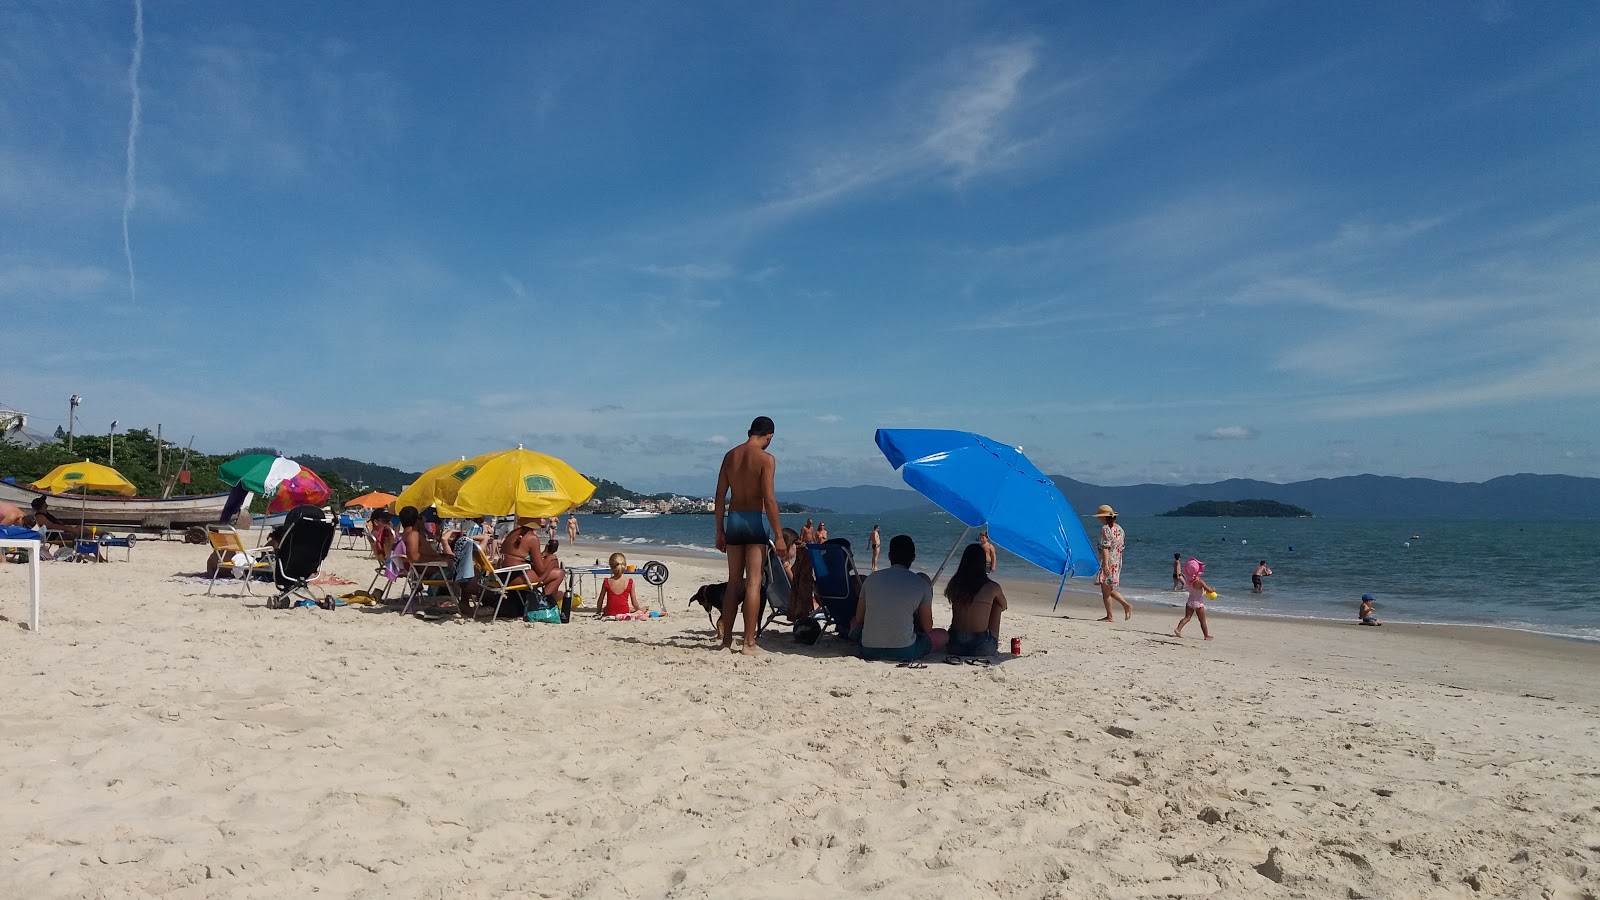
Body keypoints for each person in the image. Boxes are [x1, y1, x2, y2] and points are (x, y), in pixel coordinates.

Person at [713, 416, 785, 655]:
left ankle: (726, 641)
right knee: (754, 583)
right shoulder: (766, 459)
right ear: (769, 436)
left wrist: (719, 530)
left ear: (749, 431)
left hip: (733, 520)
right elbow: (770, 499)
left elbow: (720, 497)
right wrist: (779, 534)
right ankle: (748, 643)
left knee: (734, 582)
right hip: (754, 520)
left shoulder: (730, 456)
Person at [851, 535, 944, 662]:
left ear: (889, 556)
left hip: (869, 649)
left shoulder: (871, 579)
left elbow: (859, 618)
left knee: (853, 622)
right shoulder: (921, 584)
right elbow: (927, 627)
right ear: (913, 558)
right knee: (943, 635)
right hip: (905, 650)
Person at [942, 543, 1007, 657]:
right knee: (997, 605)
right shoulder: (992, 587)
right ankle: (991, 638)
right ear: (982, 563)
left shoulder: (955, 583)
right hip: (980, 646)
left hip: (954, 644)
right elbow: (1004, 605)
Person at [501, 517, 564, 601]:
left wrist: (544, 553)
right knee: (558, 572)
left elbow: (520, 556)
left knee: (553, 564)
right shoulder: (532, 538)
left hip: (504, 575)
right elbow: (540, 570)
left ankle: (552, 597)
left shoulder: (512, 533)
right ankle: (544, 602)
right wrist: (550, 558)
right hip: (516, 576)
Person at [1091, 504, 1131, 621]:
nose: (1099, 519)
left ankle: (1110, 615)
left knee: (1105, 591)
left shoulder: (1105, 529)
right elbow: (1120, 546)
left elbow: (1105, 548)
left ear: (1104, 517)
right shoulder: (1120, 529)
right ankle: (1125, 605)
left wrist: (1105, 564)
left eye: (1100, 517)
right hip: (1117, 561)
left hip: (1109, 561)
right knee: (1108, 588)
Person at [599, 552, 650, 619]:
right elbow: (634, 602)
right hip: (624, 612)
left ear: (610, 567)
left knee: (607, 608)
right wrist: (639, 610)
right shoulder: (629, 582)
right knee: (629, 608)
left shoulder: (607, 581)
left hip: (609, 612)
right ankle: (638, 611)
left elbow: (600, 600)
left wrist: (598, 611)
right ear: (625, 566)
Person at [1175, 557, 1214, 640]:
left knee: (1187, 618)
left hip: (1189, 602)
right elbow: (1209, 591)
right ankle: (1206, 635)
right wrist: (1213, 589)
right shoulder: (1200, 582)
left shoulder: (1189, 580)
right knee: (1202, 621)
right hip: (1198, 603)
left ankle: (1178, 629)